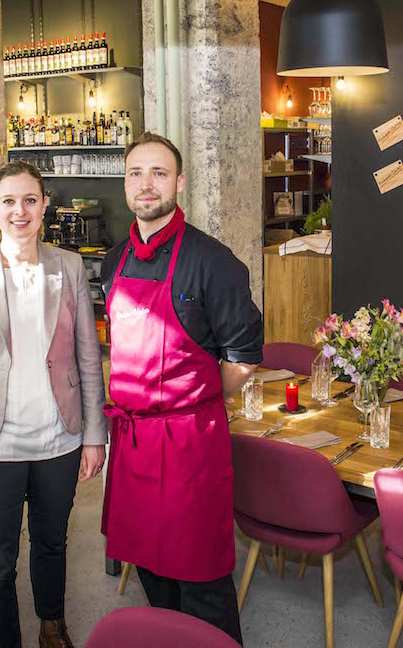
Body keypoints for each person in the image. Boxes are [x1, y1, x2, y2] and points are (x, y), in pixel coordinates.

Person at [100, 132, 263, 644]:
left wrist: (192, 402)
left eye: (159, 173)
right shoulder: (113, 261)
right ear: (125, 183)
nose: (146, 184)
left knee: (202, 577)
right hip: (131, 442)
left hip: (190, 442)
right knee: (149, 564)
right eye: (135, 173)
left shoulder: (214, 261)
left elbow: (242, 359)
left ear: (180, 183)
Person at [0, 161, 107, 648]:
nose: (20, 211)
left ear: (44, 205)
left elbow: (87, 357)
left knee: (53, 543)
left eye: (30, 200)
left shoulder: (68, 266)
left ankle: (51, 627)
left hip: (60, 439)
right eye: (9, 201)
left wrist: (95, 434)